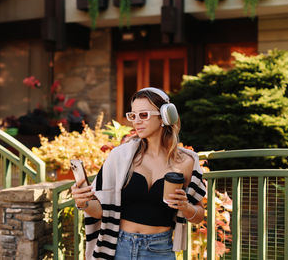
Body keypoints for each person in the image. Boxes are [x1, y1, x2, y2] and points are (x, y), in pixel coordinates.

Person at [71, 87, 206, 260]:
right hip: (118, 248)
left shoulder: (187, 162)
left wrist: (185, 206)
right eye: (132, 116)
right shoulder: (120, 157)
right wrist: (84, 203)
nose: (136, 121)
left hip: (159, 250)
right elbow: (103, 211)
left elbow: (198, 216)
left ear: (165, 116)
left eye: (144, 115)